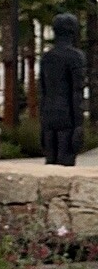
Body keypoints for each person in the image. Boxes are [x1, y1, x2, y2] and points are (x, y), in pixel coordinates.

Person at [39, 11, 86, 166]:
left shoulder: (46, 57)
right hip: (67, 117)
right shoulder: (76, 56)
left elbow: (42, 90)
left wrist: (42, 119)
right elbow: (77, 91)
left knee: (50, 163)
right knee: (65, 163)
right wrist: (79, 124)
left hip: (48, 115)